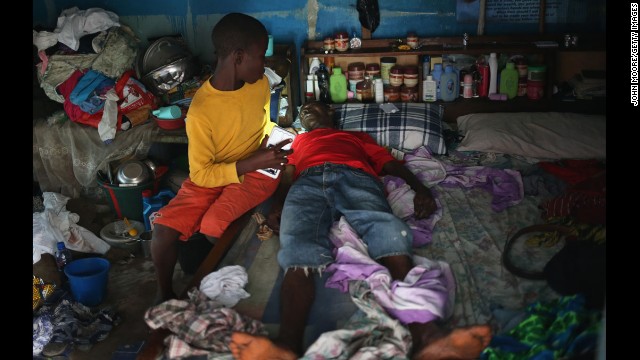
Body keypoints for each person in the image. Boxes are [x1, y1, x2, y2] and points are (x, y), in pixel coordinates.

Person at [229, 101, 492, 360]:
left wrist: (420, 188)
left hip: (355, 177)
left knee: (388, 231)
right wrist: (278, 204)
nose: (305, 110)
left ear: (330, 111)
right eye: (302, 110)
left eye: (313, 106)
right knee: (297, 245)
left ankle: (427, 336)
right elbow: (288, 172)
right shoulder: (298, 139)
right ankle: (286, 344)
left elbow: (390, 164)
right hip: (307, 182)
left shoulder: (355, 136)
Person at [150, 12, 292, 303]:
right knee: (163, 231)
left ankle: (229, 281)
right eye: (260, 57)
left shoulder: (261, 85)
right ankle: (165, 295)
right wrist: (251, 162)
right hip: (220, 172)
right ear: (238, 57)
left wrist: (269, 149)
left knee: (214, 223)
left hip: (258, 169)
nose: (264, 64)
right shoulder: (202, 111)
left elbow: (264, 123)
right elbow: (201, 175)